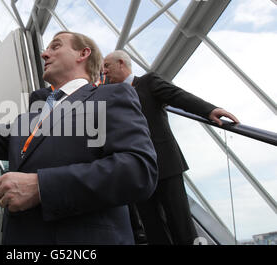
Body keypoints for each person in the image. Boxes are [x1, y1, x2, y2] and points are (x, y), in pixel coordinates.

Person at [0, 31, 158, 244]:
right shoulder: (27, 120)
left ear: (83, 54)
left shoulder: (111, 95)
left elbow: (139, 170)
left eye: (55, 46)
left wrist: (41, 187)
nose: (44, 53)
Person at [103, 50, 240, 245]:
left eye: (107, 66)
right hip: (137, 171)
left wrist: (209, 109)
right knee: (152, 228)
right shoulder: (110, 95)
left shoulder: (148, 83)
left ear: (121, 64)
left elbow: (178, 96)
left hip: (166, 164)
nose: (104, 71)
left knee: (181, 224)